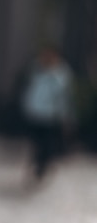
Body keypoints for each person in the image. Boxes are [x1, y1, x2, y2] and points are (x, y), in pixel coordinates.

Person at [21, 44, 74, 182]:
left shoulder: (60, 74)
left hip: (50, 116)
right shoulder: (36, 70)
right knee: (37, 143)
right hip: (36, 113)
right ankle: (39, 165)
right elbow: (31, 92)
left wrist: (64, 115)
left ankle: (42, 167)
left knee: (47, 144)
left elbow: (63, 97)